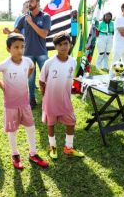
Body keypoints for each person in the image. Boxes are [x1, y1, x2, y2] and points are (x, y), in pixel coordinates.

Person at [0, 33, 49, 169]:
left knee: (31, 127)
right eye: (16, 47)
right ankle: (15, 154)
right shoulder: (5, 64)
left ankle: (33, 153)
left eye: (22, 47)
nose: (20, 50)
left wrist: (25, 78)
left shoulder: (28, 61)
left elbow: (31, 68)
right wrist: (2, 85)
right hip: (10, 105)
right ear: (8, 49)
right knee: (13, 130)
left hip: (24, 103)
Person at [39, 31, 85, 160]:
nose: (63, 47)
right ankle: (52, 147)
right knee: (51, 124)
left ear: (70, 45)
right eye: (60, 44)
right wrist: (45, 96)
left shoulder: (73, 62)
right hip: (51, 100)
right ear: (55, 46)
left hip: (65, 99)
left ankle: (68, 147)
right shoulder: (49, 63)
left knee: (71, 122)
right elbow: (41, 81)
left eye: (66, 43)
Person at [3, 0, 51, 109]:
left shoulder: (45, 17)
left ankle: (48, 100)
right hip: (28, 53)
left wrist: (31, 23)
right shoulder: (25, 17)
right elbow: (16, 32)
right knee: (30, 79)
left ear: (38, 3)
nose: (29, 3)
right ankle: (32, 100)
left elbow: (44, 34)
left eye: (32, 1)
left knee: (47, 78)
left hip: (41, 53)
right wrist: (8, 32)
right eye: (28, 1)